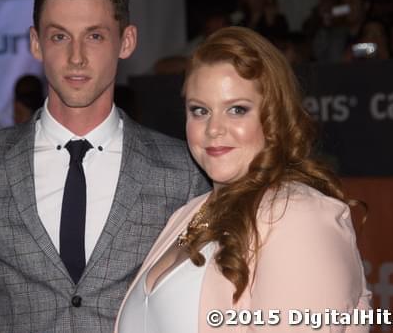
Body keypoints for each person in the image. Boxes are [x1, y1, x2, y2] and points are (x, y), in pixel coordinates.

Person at [0, 0, 209, 332]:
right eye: (59, 36)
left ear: (126, 41)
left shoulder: (180, 172)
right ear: (36, 43)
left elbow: (200, 312)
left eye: (95, 36)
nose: (76, 57)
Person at [115, 26, 371, 333]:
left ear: (273, 115)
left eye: (237, 109)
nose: (213, 129)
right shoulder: (187, 214)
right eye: (200, 111)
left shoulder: (297, 216)